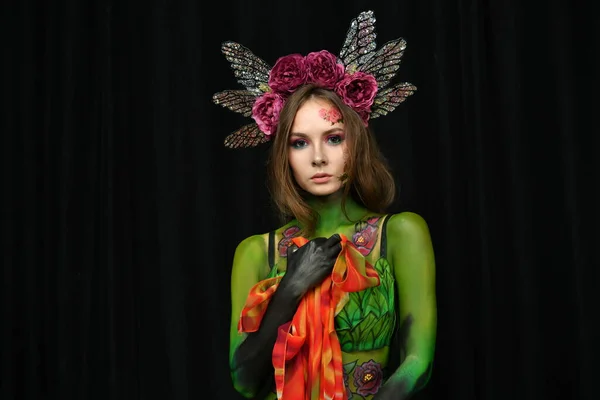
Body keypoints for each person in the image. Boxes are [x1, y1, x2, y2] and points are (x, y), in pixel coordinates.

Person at [213, 10, 437, 400]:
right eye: (299, 142)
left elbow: (418, 363)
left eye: (333, 138)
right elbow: (244, 381)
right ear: (283, 154)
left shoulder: (400, 234)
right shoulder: (256, 252)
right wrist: (290, 289)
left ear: (356, 141)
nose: (318, 157)